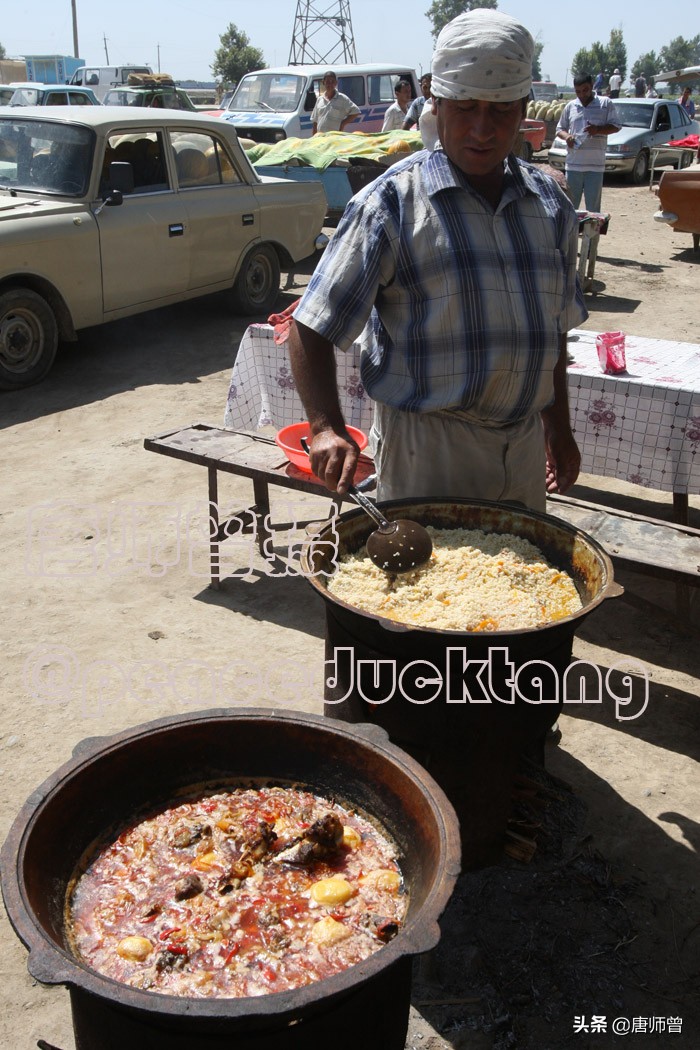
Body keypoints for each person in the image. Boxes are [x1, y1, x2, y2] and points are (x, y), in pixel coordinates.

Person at [288, 9, 587, 513]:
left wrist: (558, 424)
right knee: (433, 588)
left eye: (499, 111)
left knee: (517, 585)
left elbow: (552, 328)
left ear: (522, 111)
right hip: (426, 451)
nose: (482, 129)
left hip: (523, 448)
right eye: (465, 108)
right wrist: (325, 429)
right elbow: (310, 326)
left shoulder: (549, 204)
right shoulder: (390, 205)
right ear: (437, 104)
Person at [554, 73, 620, 213]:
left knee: (594, 211)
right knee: (570, 209)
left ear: (592, 86)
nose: (582, 94)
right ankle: (571, 235)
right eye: (578, 91)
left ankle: (591, 236)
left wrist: (598, 130)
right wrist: (567, 137)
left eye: (585, 90)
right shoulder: (571, 106)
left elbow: (616, 126)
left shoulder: (605, 103)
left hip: (595, 167)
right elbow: (560, 129)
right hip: (573, 166)